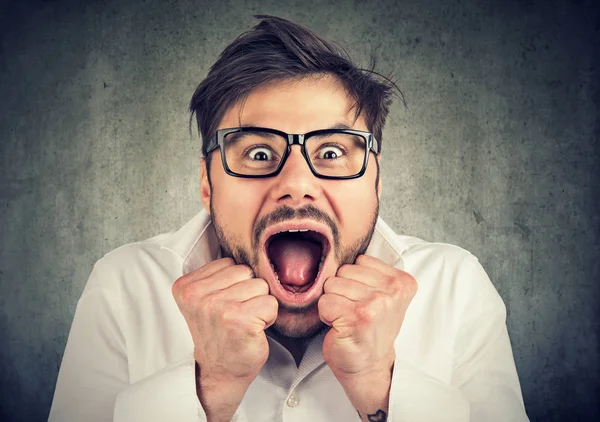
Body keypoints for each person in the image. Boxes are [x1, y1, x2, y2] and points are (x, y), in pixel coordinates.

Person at [48, 15, 529, 422]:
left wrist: (382, 388)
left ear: (376, 180)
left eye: (333, 151)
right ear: (206, 182)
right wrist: (205, 389)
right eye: (258, 152)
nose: (297, 183)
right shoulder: (125, 284)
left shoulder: (455, 285)